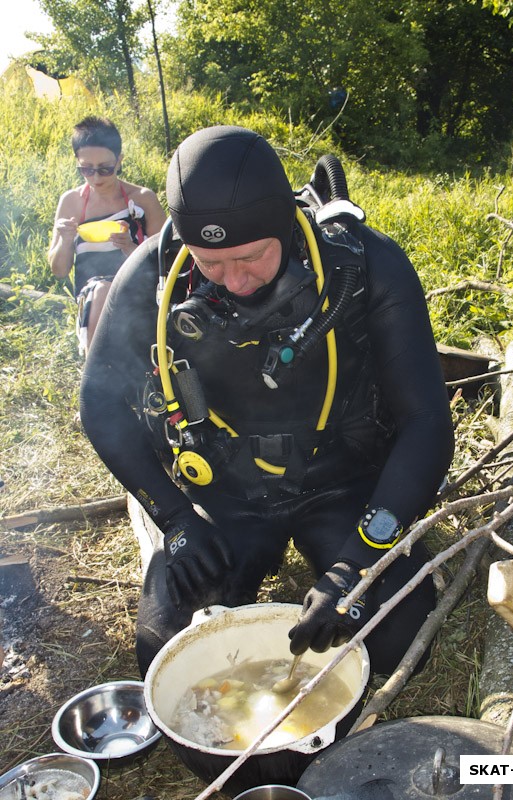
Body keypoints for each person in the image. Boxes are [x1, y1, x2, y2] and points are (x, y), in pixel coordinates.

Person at [79, 125, 454, 682]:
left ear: (283, 225)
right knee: (166, 652)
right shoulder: (159, 274)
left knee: (401, 643)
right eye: (210, 263)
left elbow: (426, 422)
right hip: (226, 494)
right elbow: (99, 403)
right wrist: (177, 518)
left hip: (344, 482)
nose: (234, 281)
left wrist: (354, 563)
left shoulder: (365, 266)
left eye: (250, 258)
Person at [48, 116, 166, 354]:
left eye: (105, 168)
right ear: (77, 163)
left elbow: (167, 260)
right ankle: (96, 374)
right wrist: (66, 239)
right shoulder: (71, 202)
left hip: (138, 285)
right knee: (102, 290)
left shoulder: (142, 198)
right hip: (92, 294)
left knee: (110, 290)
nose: (96, 178)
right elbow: (59, 270)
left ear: (119, 161)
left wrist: (132, 249)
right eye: (86, 169)